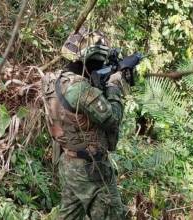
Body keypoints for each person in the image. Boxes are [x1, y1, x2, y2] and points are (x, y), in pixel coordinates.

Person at [41, 27, 128, 220]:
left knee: (69, 215)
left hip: (69, 162)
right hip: (91, 168)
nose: (100, 65)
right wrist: (114, 87)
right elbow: (111, 119)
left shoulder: (54, 79)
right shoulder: (80, 89)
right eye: (98, 63)